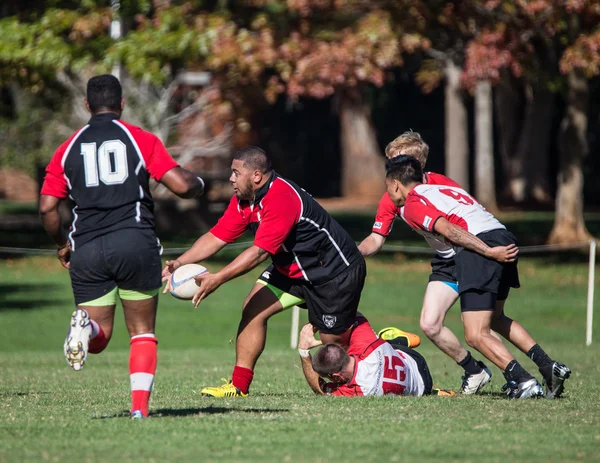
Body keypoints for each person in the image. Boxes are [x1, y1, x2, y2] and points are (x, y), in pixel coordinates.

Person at [39, 74, 204, 419]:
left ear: (87, 105)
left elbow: (47, 207)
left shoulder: (67, 148)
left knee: (100, 338)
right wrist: (198, 185)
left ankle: (85, 327)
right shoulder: (138, 138)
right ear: (122, 103)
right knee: (142, 332)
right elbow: (179, 184)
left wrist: (60, 244)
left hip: (86, 247)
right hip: (135, 242)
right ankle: (139, 410)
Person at [162, 146, 367, 397]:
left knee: (332, 344)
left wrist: (218, 278)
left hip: (333, 274)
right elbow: (216, 237)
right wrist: (180, 262)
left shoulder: (281, 197)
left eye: (236, 173)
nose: (231, 178)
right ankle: (238, 387)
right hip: (290, 269)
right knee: (252, 310)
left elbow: (258, 253)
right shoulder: (244, 202)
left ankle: (378, 349)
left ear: (256, 175)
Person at [384, 155, 571, 399]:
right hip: (503, 235)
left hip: (482, 248)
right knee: (495, 318)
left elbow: (451, 230)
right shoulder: (441, 187)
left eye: (387, 187)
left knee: (475, 334)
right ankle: (548, 366)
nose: (387, 193)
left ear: (396, 183)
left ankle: (523, 381)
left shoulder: (412, 204)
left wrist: (487, 251)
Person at [358, 131, 492, 394]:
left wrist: (489, 249)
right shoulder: (390, 197)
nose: (390, 170)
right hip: (445, 262)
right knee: (430, 324)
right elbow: (376, 239)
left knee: (485, 327)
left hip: (470, 256)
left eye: (395, 161)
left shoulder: (443, 185)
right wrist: (353, 251)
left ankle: (523, 375)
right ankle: (474, 371)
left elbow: (469, 220)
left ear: (416, 162)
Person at [297, 318, 453, 397]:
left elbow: (320, 390)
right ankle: (391, 340)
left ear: (336, 376)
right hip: (413, 359)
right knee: (378, 342)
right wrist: (325, 320)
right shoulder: (364, 346)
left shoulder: (357, 390)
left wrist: (304, 352)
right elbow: (352, 315)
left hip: (424, 389)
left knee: (384, 348)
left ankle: (392, 340)